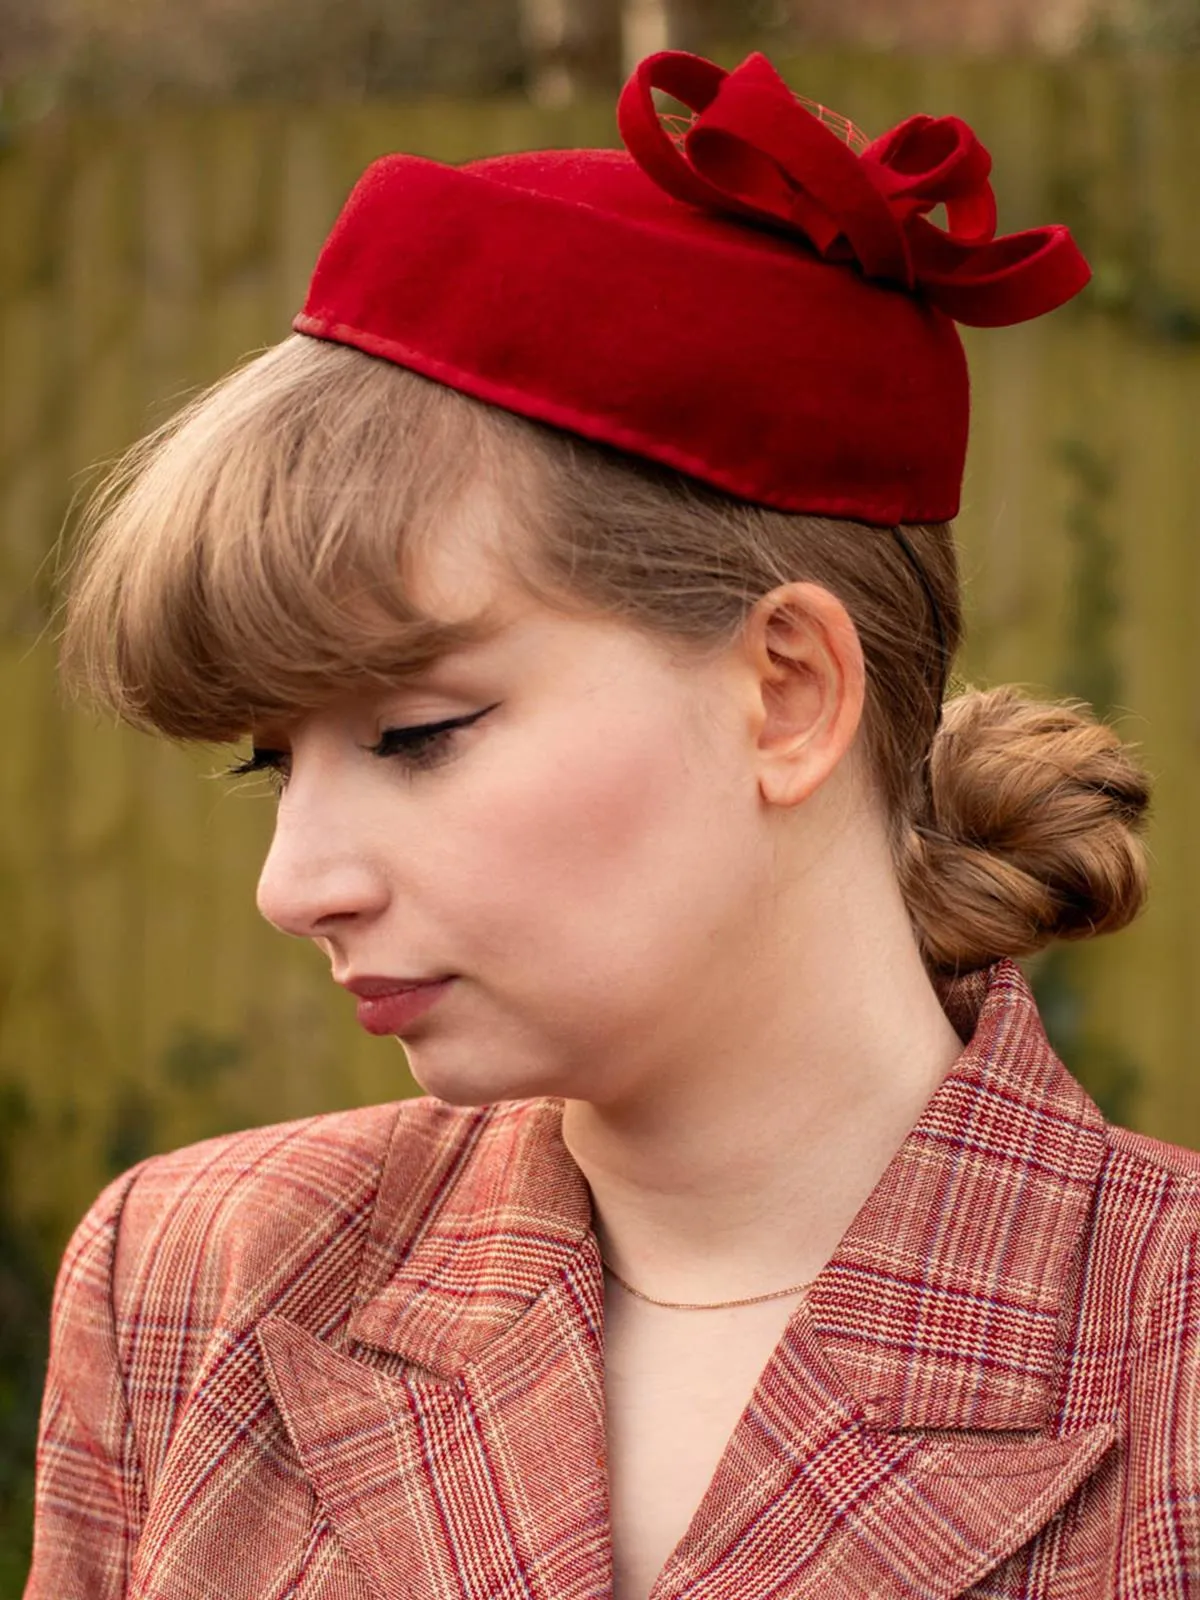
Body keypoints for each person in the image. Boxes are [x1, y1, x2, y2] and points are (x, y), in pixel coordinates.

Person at [24, 47, 1200, 1600]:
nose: (291, 883)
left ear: (784, 692)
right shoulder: (199, 1277)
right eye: (271, 762)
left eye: (416, 735)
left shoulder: (1164, 1351)